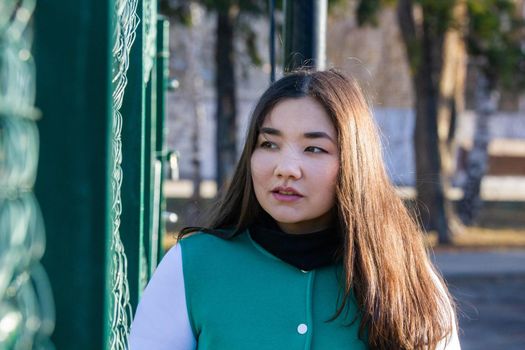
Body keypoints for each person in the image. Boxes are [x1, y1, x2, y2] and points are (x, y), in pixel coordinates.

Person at [129, 69, 461, 350]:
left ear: (354, 163)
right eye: (269, 144)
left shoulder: (402, 275)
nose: (286, 167)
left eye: (314, 148)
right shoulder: (193, 265)